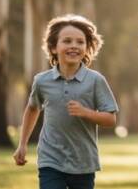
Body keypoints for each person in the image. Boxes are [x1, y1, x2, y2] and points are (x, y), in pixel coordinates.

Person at [14, 14, 118, 189]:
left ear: (87, 47)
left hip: (83, 163)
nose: (74, 46)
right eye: (67, 41)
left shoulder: (95, 80)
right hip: (50, 160)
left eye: (80, 42)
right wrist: (22, 144)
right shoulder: (42, 81)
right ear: (54, 48)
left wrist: (86, 112)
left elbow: (111, 119)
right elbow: (32, 109)